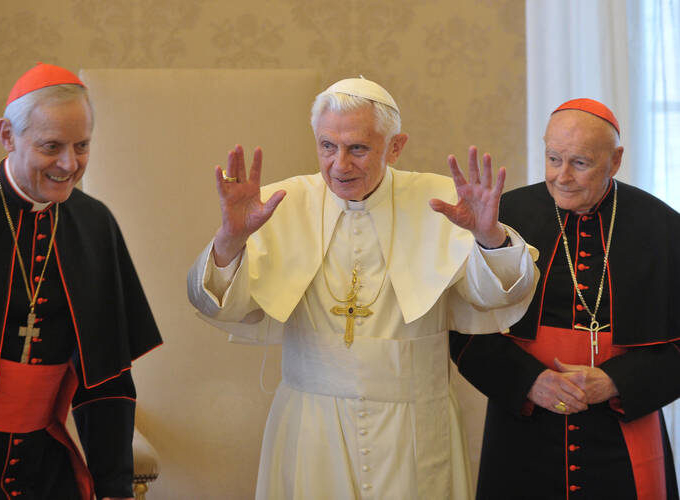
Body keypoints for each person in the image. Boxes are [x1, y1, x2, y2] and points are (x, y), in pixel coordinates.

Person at [187, 77, 538, 499]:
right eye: (327, 146)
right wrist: (230, 239)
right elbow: (220, 306)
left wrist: (489, 238)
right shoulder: (281, 204)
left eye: (357, 148)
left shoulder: (442, 202)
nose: (339, 165)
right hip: (312, 424)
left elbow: (497, 296)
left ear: (395, 147)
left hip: (415, 429)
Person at [0, 63, 163, 500]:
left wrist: (114, 488)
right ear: (7, 135)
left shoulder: (95, 224)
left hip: (45, 467)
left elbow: (107, 381)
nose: (69, 164)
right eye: (51, 146)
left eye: (82, 146)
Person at [450, 98, 680, 499]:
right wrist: (531, 382)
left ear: (616, 160)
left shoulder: (662, 226)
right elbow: (464, 328)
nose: (562, 177)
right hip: (523, 430)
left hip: (623, 432)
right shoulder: (503, 218)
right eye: (553, 158)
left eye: (580, 163)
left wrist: (614, 381)